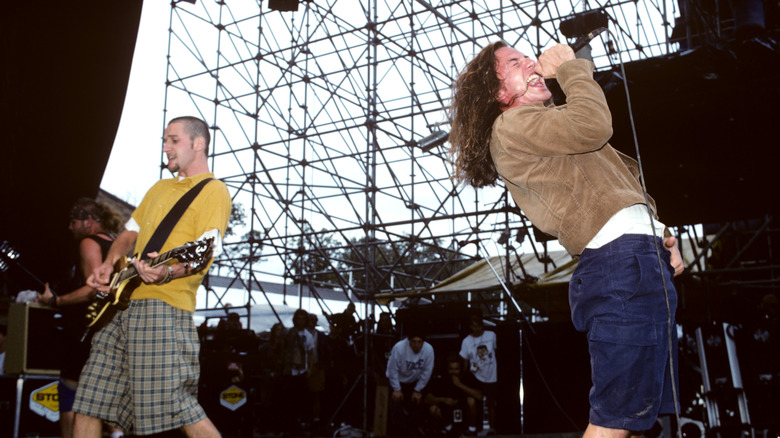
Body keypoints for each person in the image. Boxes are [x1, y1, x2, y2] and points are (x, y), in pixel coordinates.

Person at [449, 42, 685, 438]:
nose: (530, 62)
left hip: (640, 259)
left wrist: (661, 232)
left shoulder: (553, 130)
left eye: (529, 57)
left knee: (636, 419)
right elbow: (594, 125)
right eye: (515, 62)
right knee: (613, 422)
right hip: (619, 264)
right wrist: (573, 69)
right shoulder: (512, 126)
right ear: (498, 92)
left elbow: (621, 186)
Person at [73, 116, 232, 438]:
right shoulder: (160, 188)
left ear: (198, 143)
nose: (165, 147)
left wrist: (167, 271)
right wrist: (109, 263)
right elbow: (129, 233)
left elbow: (205, 252)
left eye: (173, 140)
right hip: (119, 306)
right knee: (88, 403)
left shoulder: (214, 191)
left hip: (163, 308)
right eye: (164, 140)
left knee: (178, 407)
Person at [37, 198, 124, 438]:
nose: (70, 227)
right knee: (103, 393)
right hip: (113, 328)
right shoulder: (116, 242)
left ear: (88, 222)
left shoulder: (89, 242)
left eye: (73, 222)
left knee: (70, 389)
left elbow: (94, 288)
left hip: (88, 328)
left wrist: (55, 301)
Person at [386, 328, 435, 437]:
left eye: (419, 342)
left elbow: (427, 372)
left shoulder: (428, 350)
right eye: (413, 341)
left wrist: (418, 390)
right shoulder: (399, 348)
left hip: (415, 381)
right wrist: (397, 389)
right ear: (409, 341)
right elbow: (392, 369)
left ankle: (414, 433)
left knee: (416, 407)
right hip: (398, 380)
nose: (416, 345)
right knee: (396, 407)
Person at [424, 353, 483, 437]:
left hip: (465, 413)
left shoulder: (468, 377)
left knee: (471, 400)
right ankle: (450, 429)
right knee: (433, 409)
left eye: (456, 369)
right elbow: (427, 399)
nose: (453, 372)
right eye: (451, 369)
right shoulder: (442, 379)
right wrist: (444, 400)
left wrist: (460, 385)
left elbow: (480, 396)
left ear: (461, 369)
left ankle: (471, 430)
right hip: (448, 413)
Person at [459, 314, 497, 434]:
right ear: (471, 327)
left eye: (479, 326)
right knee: (474, 400)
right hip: (475, 375)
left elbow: (495, 350)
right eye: (474, 326)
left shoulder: (491, 335)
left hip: (491, 375)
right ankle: (473, 428)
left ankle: (491, 428)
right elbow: (464, 361)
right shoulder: (466, 341)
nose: (477, 329)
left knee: (491, 402)